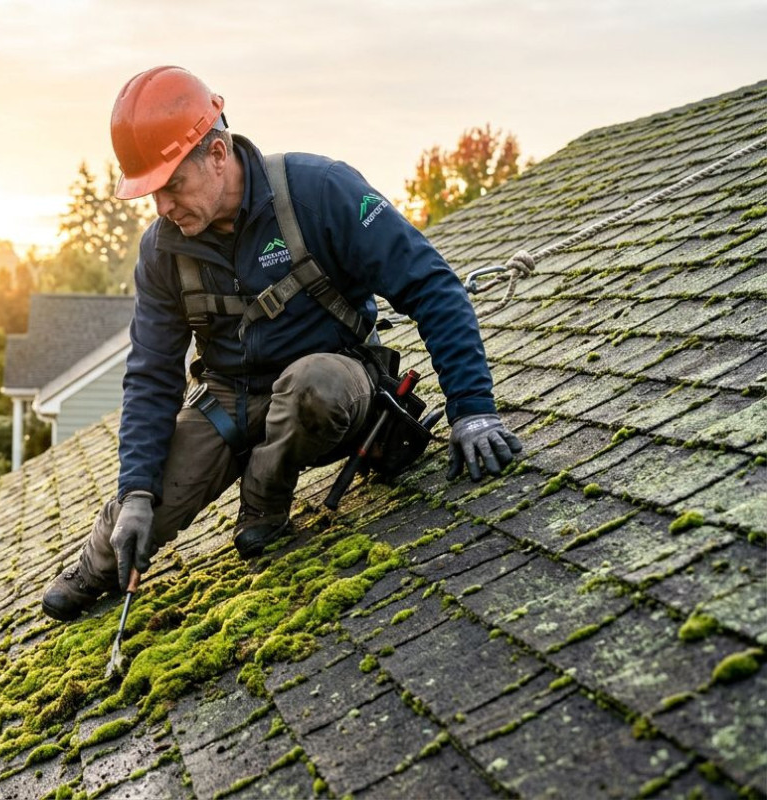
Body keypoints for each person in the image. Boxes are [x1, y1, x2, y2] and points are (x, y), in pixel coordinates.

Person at [41, 66, 522, 622]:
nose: (163, 208)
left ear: (217, 153)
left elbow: (431, 286)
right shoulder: (162, 252)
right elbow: (151, 375)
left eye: (173, 186)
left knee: (312, 386)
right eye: (152, 194)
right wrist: (135, 493)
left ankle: (265, 499)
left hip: (334, 383)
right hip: (231, 399)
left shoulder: (320, 192)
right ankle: (96, 562)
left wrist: (472, 410)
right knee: (145, 509)